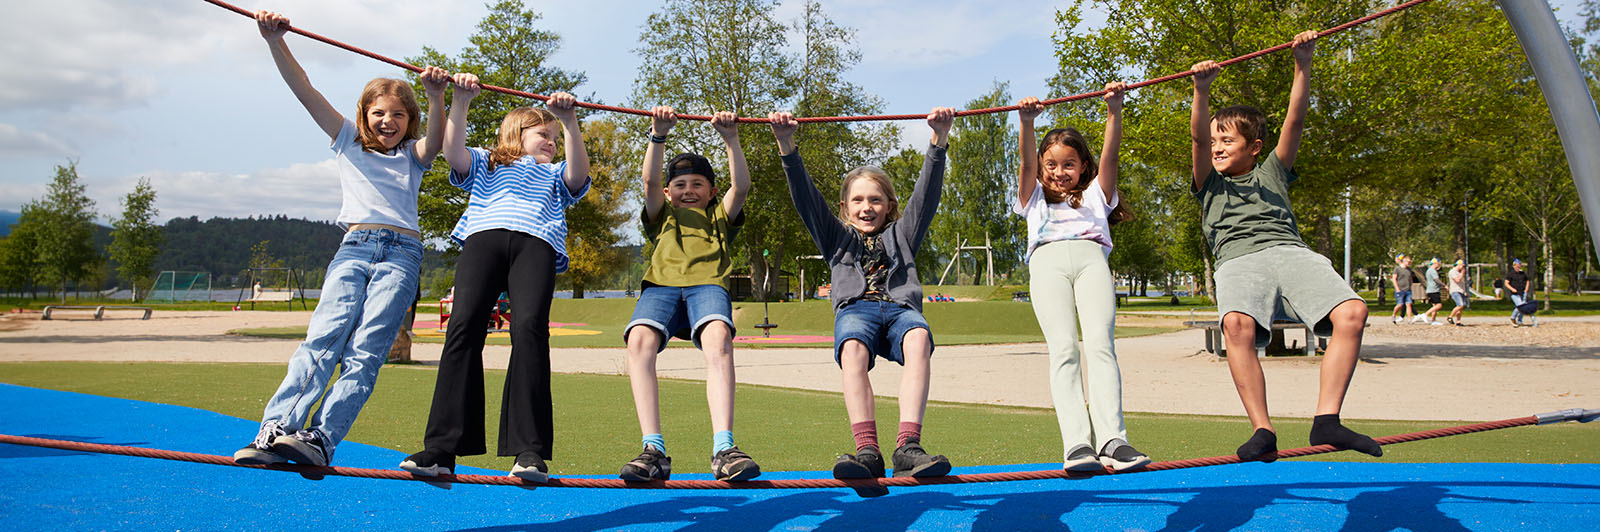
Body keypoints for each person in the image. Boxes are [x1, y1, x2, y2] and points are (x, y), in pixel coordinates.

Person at [232, 11, 439, 467]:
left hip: (402, 255)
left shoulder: (413, 155)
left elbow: (438, 140)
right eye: (379, 112)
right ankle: (277, 430)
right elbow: (304, 88)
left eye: (399, 115)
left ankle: (320, 440)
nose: (388, 121)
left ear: (411, 121)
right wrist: (273, 40)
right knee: (323, 339)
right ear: (364, 114)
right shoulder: (346, 138)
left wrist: (437, 94)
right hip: (355, 248)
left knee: (365, 352)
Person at [1188, 31, 1382, 462]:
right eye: (1216, 140)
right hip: (1238, 258)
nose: (1218, 147)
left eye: (1229, 141)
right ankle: (1262, 430)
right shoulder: (1209, 183)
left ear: (1254, 148)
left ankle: (1327, 420)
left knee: (1352, 312)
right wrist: (1201, 90)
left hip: (1290, 251)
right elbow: (1199, 140)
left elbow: (1294, 121)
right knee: (1236, 326)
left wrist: (1303, 62)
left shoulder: (1273, 171)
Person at [400, 74, 591, 483]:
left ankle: (529, 450)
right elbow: (452, 151)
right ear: (516, 132)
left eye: (555, 138)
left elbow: (578, 176)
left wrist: (570, 122)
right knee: (464, 327)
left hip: (536, 245)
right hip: (484, 240)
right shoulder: (488, 162)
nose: (551, 142)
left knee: (529, 331)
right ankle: (441, 449)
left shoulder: (555, 173)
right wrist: (462, 99)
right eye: (545, 134)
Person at [770, 106, 956, 485]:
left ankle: (908, 447)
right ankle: (868, 450)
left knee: (919, 337)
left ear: (889, 206)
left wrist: (938, 139)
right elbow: (806, 199)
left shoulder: (903, 234)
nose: (866, 207)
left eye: (875, 200)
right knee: (853, 347)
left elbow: (927, 194)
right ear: (844, 207)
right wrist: (787, 145)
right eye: (857, 200)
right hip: (858, 310)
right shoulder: (836, 237)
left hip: (900, 308)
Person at [1013, 84, 1149, 473]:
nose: (1059, 172)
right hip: (1048, 263)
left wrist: (1114, 111)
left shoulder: (1096, 196)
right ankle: (1077, 443)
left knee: (1101, 347)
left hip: (1091, 261)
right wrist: (1026, 123)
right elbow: (1025, 165)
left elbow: (1112, 157)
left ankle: (1112, 439)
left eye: (1069, 164)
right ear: (1042, 168)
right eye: (1051, 165)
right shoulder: (1033, 197)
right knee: (1064, 350)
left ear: (1083, 166)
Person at [618, 106, 758, 482]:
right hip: (661, 286)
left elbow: (741, 186)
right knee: (639, 341)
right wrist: (658, 134)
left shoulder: (719, 217)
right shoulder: (661, 214)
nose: (689, 190)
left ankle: (724, 448)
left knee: (718, 340)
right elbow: (648, 184)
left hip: (707, 284)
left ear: (712, 192)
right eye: (680, 185)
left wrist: (731, 139)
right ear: (668, 192)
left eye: (698, 184)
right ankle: (653, 450)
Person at [1389, 254, 1417, 324]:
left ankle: (1410, 319)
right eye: (1408, 262)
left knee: (1409, 304)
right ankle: (1394, 315)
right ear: (1404, 261)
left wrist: (1410, 285)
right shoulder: (1397, 269)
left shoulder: (1409, 270)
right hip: (1400, 290)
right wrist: (1397, 288)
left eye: (1410, 262)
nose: (1409, 263)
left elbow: (1410, 278)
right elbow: (1394, 279)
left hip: (1408, 290)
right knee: (1400, 304)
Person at [1505, 258, 1531, 326]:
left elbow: (1527, 280)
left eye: (1519, 265)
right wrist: (1512, 289)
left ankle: (1520, 321)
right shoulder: (1510, 274)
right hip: (1515, 293)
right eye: (1517, 265)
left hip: (1522, 292)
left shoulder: (1522, 273)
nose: (1518, 267)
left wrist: (1526, 289)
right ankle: (1513, 318)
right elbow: (1506, 283)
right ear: (1514, 266)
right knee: (1520, 305)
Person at [1422, 258, 1444, 326]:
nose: (1438, 265)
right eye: (1438, 263)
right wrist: (1444, 285)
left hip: (1431, 290)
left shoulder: (1429, 270)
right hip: (1433, 290)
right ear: (1435, 263)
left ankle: (1433, 320)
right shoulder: (1433, 271)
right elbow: (1436, 280)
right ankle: (1425, 314)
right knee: (1439, 305)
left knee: (1434, 306)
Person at [1447, 259, 1469, 326]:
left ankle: (1458, 321)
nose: (1463, 267)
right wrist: (1462, 274)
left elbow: (1462, 283)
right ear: (1458, 265)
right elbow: (1457, 280)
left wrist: (1465, 292)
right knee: (1460, 305)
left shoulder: (1459, 272)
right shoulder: (1452, 272)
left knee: (1460, 307)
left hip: (1461, 290)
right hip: (1455, 290)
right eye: (1462, 266)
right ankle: (1450, 317)